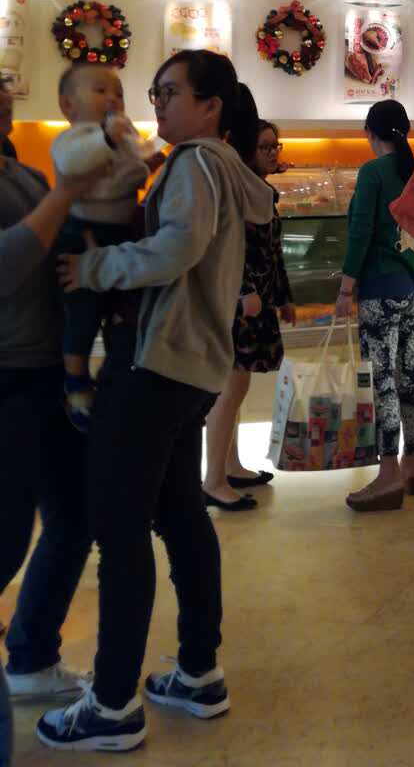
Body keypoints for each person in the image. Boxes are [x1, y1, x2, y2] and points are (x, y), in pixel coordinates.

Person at [38, 51, 274, 753]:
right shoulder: (220, 167)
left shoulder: (195, 165)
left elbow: (176, 249)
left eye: (170, 92)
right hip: (192, 365)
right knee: (179, 515)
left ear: (211, 106)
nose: (157, 103)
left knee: (119, 528)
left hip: (155, 364)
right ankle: (199, 672)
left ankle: (112, 704)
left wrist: (95, 266)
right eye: (155, 91)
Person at [0, 75, 103, 724]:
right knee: (8, 535)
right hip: (9, 378)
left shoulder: (24, 174)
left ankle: (32, 657)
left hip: (48, 374)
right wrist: (66, 192)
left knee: (72, 517)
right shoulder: (44, 182)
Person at [335, 100, 414, 513]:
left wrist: (346, 288)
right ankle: (412, 462)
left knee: (383, 380)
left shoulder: (372, 172)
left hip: (381, 290)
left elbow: (360, 231)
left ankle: (388, 470)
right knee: (409, 373)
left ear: (370, 133)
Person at [51, 64, 154, 430]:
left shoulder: (123, 136)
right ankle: (76, 381)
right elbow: (74, 165)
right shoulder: (73, 138)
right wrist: (108, 141)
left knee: (122, 308)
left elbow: (134, 168)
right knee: (82, 311)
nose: (113, 99)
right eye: (100, 90)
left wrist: (146, 159)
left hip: (122, 233)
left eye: (119, 93)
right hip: (82, 233)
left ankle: (117, 372)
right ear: (68, 105)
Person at [202, 120, 296, 511]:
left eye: (275, 146)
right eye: (264, 147)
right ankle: (214, 479)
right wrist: (245, 291)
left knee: (236, 388)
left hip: (256, 301)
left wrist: (283, 297)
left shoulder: (258, 190)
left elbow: (273, 252)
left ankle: (231, 466)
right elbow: (229, 247)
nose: (273, 153)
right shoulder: (241, 192)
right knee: (231, 388)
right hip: (240, 305)